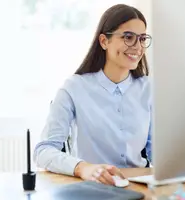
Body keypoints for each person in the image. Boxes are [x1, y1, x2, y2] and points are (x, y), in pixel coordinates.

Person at [33, 4, 153, 186]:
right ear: (104, 41)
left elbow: (158, 153)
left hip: (139, 186)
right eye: (128, 37)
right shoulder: (74, 88)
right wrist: (84, 168)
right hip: (91, 187)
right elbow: (43, 151)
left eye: (142, 39)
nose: (137, 47)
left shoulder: (149, 89)